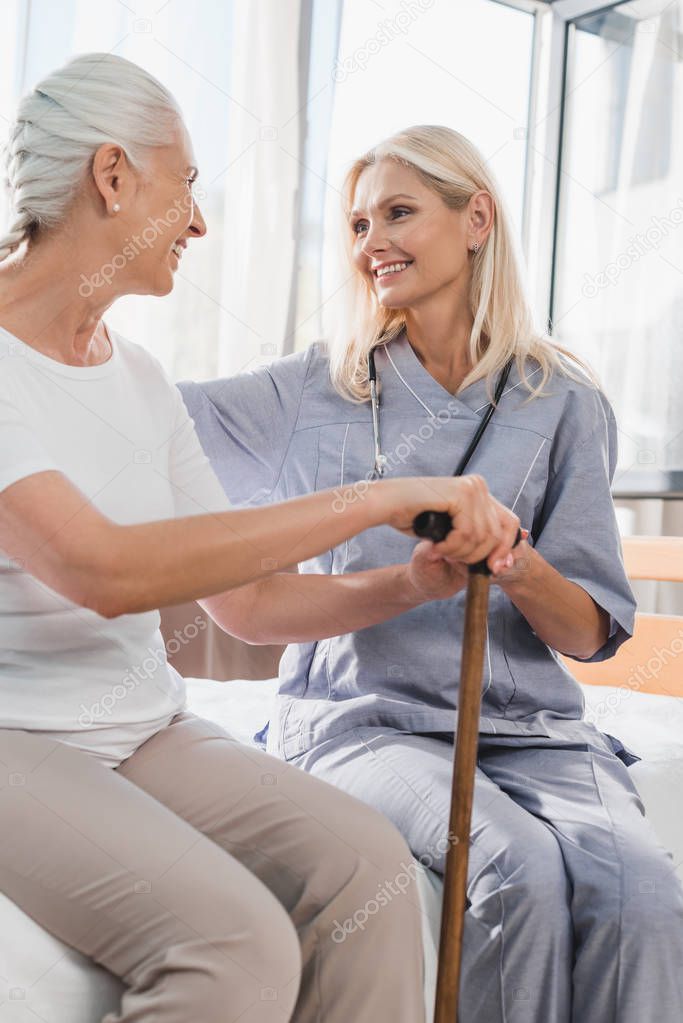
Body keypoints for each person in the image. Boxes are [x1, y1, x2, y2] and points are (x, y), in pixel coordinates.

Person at [0, 61, 520, 1023]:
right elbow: (102, 569)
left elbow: (248, 602)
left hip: (140, 725)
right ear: (113, 177)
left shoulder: (139, 378)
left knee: (367, 868)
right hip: (15, 742)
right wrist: (373, 496)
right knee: (233, 942)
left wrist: (406, 584)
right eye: (185, 183)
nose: (198, 222)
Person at [180, 124, 683, 1021]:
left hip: (534, 732)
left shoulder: (562, 398)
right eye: (358, 223)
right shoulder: (315, 388)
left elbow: (587, 633)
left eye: (399, 213)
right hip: (360, 723)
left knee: (640, 891)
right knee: (511, 869)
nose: (372, 242)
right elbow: (150, 415)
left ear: (476, 217)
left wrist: (513, 561)